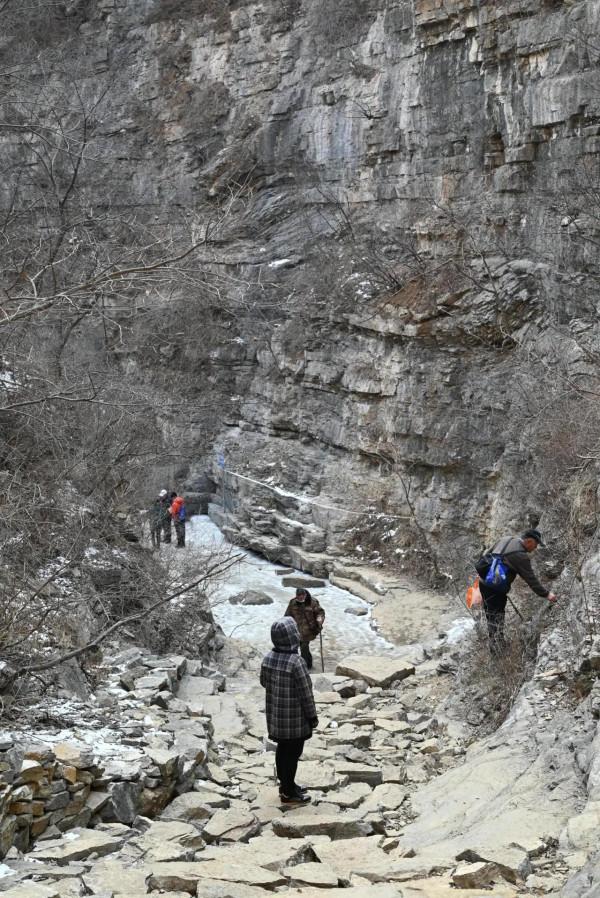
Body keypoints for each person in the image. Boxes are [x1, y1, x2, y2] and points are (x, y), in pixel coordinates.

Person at [260, 617, 318, 804]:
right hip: (295, 721)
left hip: (276, 716)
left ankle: (287, 785)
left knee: (282, 750)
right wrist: (312, 717)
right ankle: (288, 792)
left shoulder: (268, 658)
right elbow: (306, 694)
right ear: (293, 636)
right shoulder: (296, 662)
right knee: (293, 755)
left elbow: (263, 682)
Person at [479, 528, 557, 654]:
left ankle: (497, 644)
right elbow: (531, 579)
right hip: (495, 589)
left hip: (484, 583)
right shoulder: (520, 556)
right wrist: (547, 594)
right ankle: (497, 650)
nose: (535, 548)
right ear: (529, 541)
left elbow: (486, 554)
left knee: (491, 615)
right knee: (496, 617)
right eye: (536, 545)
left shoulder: (506, 539)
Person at [284, 588, 325, 669]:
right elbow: (287, 615)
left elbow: (320, 612)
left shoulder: (312, 602)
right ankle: (308, 663)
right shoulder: (293, 603)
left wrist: (320, 618)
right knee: (299, 647)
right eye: (299, 596)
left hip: (309, 630)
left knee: (304, 647)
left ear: (305, 595)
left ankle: (304, 666)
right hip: (296, 630)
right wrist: (285, 624)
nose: (301, 598)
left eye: (302, 596)